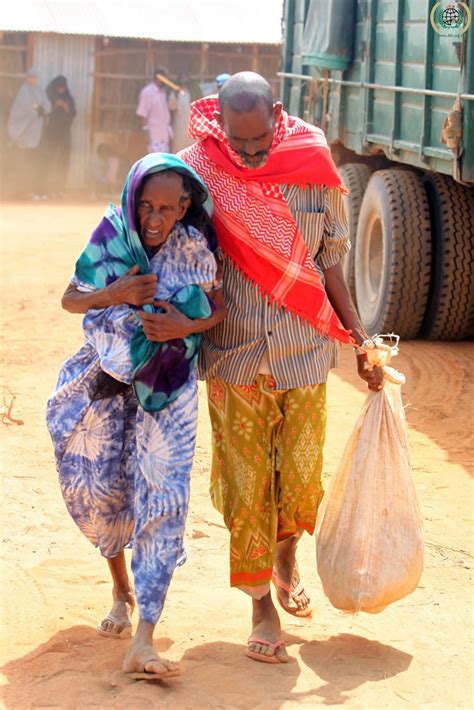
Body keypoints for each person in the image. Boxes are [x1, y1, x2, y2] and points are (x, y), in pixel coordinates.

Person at [179, 72, 384, 664]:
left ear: (275, 112)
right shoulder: (202, 169)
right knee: (246, 486)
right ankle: (260, 607)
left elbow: (332, 263)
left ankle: (286, 554)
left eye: (256, 141)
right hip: (235, 351)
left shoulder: (314, 162)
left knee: (297, 479)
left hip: (303, 351)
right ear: (219, 119)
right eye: (236, 143)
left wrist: (362, 341)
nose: (246, 155)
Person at [46, 153, 226, 679]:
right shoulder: (113, 233)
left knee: (164, 498)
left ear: (184, 205)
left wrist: (182, 329)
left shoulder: (195, 244)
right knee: (107, 490)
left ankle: (144, 636)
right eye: (145, 206)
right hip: (108, 382)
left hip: (170, 387)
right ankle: (120, 588)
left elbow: (217, 309)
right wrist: (116, 293)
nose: (153, 219)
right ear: (132, 199)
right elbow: (70, 298)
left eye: (166, 208)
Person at [7, 68, 49, 199]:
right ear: (27, 78)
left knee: (34, 163)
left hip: (36, 134)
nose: (33, 80)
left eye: (35, 77)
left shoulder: (39, 90)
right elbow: (27, 108)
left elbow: (47, 105)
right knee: (23, 163)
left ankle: (32, 190)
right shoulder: (23, 91)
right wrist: (38, 110)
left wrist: (43, 110)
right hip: (22, 133)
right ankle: (21, 191)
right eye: (31, 77)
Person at [43, 75, 76, 197]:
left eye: (63, 87)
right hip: (51, 134)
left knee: (63, 161)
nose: (61, 89)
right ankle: (46, 189)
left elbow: (73, 113)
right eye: (59, 87)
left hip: (65, 134)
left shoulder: (68, 98)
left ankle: (60, 189)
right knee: (49, 160)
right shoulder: (49, 97)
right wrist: (57, 104)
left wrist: (67, 108)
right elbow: (45, 112)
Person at [136, 68, 173, 152]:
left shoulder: (163, 92)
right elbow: (143, 114)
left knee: (164, 163)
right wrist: (146, 134)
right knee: (155, 162)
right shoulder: (147, 92)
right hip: (153, 137)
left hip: (164, 136)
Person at [169, 73, 194, 153]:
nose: (184, 82)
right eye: (182, 80)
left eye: (185, 80)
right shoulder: (175, 93)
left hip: (191, 126)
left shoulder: (192, 93)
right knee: (178, 149)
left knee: (191, 150)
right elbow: (171, 107)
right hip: (179, 126)